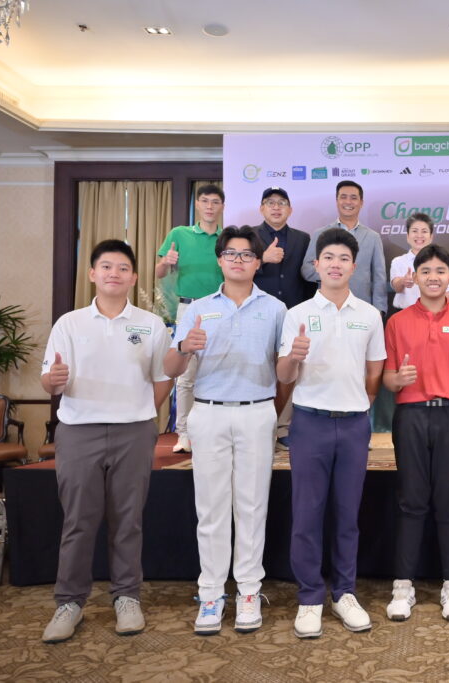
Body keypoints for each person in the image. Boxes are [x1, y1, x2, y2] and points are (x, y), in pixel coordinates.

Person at [40, 240, 173, 643]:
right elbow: (49, 380)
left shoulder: (150, 324)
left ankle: (127, 597)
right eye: (106, 266)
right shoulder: (69, 324)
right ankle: (69, 602)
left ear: (133, 277)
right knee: (78, 520)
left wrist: (140, 414)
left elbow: (162, 378)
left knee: (128, 521)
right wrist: (52, 381)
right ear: (93, 274)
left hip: (134, 432)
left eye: (123, 268)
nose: (114, 273)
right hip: (79, 431)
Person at [164, 226, 286, 636]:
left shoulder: (275, 309)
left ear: (258, 262)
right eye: (231, 253)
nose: (238, 260)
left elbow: (285, 370)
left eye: (246, 254)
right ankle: (211, 594)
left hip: (256, 412)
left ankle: (249, 591)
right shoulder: (197, 308)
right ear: (219, 260)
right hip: (209, 412)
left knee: (252, 507)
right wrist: (184, 347)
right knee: (212, 509)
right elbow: (170, 368)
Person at [278, 228, 386, 639]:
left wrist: (360, 403)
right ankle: (309, 597)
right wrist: (293, 357)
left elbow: (374, 372)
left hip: (355, 424)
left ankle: (344, 593)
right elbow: (283, 375)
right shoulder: (297, 314)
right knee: (307, 514)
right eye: (329, 258)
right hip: (310, 423)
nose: (336, 265)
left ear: (353, 267)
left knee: (346, 514)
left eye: (343, 258)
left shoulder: (369, 315)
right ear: (316, 265)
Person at [383, 244, 449, 623]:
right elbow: (388, 379)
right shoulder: (397, 322)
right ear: (415, 276)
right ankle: (403, 585)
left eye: (440, 271)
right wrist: (399, 379)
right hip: (410, 415)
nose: (433, 277)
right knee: (411, 499)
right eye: (425, 271)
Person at [156, 184, 226, 453]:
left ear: (222, 207)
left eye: (215, 202)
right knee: (185, 376)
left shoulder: (226, 238)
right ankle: (183, 434)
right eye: (205, 201)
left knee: (218, 372)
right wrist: (166, 262)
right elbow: (159, 272)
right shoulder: (179, 234)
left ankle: (214, 432)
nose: (209, 206)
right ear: (197, 204)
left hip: (220, 309)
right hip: (189, 308)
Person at [252, 186, 314, 450]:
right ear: (261, 208)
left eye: (281, 203)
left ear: (290, 209)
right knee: (260, 368)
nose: (276, 207)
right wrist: (262, 259)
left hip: (293, 312)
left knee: (290, 368)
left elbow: (308, 279)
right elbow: (235, 270)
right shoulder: (250, 236)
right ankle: (258, 426)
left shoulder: (303, 238)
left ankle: (283, 427)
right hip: (258, 313)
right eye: (270, 202)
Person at [301, 180, 387, 313]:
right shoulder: (320, 234)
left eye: (353, 198)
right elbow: (306, 270)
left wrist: (379, 310)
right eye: (343, 197)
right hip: (326, 307)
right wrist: (332, 274)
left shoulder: (373, 237)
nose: (348, 202)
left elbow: (379, 278)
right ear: (337, 201)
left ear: (361, 203)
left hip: (361, 308)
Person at [390, 213, 449, 310]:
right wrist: (403, 281)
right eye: (415, 231)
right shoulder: (398, 261)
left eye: (424, 231)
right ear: (408, 236)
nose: (419, 236)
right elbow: (397, 288)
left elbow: (446, 294)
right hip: (404, 313)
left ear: (431, 236)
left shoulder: (442, 261)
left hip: (433, 313)